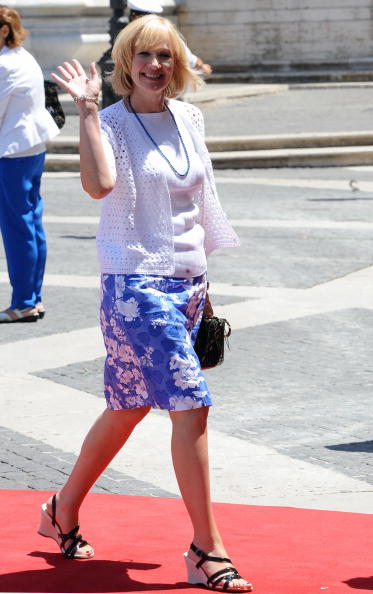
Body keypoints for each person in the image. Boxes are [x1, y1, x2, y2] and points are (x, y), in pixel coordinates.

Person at [38, 14, 251, 592]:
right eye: (143, 57)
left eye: (164, 56)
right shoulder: (110, 121)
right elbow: (99, 185)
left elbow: (197, 204)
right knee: (192, 404)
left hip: (187, 284)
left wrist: (205, 285)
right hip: (134, 287)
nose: (155, 66)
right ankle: (207, 548)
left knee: (128, 406)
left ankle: (61, 508)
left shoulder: (189, 117)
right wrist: (84, 111)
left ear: (176, 64)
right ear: (125, 65)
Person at [0, 5, 59, 323]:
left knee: (17, 228)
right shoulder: (23, 56)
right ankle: (32, 298)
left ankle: (23, 301)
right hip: (31, 148)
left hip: (11, 152)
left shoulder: (4, 66)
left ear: (3, 30)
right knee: (31, 224)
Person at [128, 0, 213, 75]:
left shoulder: (167, 37)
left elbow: (190, 60)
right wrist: (202, 67)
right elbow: (191, 61)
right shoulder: (167, 36)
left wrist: (202, 66)